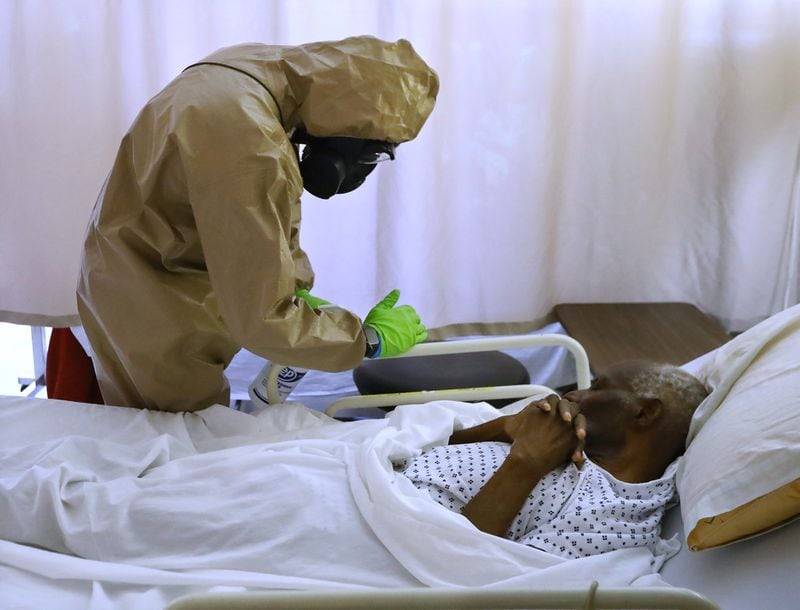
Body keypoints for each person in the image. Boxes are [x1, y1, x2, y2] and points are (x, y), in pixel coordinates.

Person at [75, 36, 439, 412]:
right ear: (351, 116)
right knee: (178, 451)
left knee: (150, 434)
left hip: (126, 275)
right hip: (156, 311)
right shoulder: (250, 139)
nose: (365, 166)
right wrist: (365, 340)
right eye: (374, 151)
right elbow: (264, 320)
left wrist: (292, 285)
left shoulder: (248, 72)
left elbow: (247, 220)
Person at [395, 360, 709, 559]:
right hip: (376, 472)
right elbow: (430, 446)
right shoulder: (560, 441)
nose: (573, 394)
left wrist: (526, 463)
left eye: (597, 387)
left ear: (644, 412)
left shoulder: (615, 524)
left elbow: (462, 565)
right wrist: (505, 427)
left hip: (391, 528)